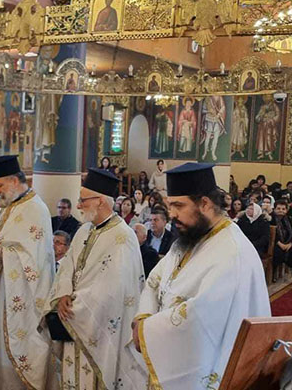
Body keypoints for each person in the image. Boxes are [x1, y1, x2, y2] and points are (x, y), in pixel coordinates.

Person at [132, 162, 270, 389]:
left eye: (178, 205)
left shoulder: (232, 252)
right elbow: (155, 281)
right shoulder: (189, 238)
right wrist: (143, 316)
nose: (172, 214)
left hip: (209, 366)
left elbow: (200, 317)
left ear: (204, 204)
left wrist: (146, 331)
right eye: (170, 205)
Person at [49, 168, 145, 390]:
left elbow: (113, 288)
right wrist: (63, 293)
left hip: (99, 325)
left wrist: (76, 307)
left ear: (100, 201)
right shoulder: (84, 230)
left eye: (83, 200)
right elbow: (67, 265)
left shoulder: (123, 237)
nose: (78, 205)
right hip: (73, 317)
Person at [0, 155, 53, 389]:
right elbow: (1, 239)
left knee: (12, 348)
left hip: (20, 296)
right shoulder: (8, 205)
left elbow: (35, 258)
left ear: (15, 181)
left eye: (0, 185)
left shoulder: (36, 209)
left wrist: (1, 254)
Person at [273, 200, 292, 282]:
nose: (281, 210)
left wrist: (290, 244)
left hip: (288, 243)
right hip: (275, 244)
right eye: (278, 208)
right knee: (277, 253)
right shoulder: (271, 219)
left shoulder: (289, 220)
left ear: (286, 210)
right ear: (274, 209)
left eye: (283, 209)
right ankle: (273, 274)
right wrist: (280, 244)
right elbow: (271, 235)